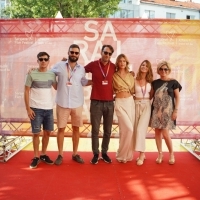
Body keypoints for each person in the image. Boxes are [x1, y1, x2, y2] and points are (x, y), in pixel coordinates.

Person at [52, 44, 89, 165]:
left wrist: (96, 82)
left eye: (76, 53)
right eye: (72, 52)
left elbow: (83, 82)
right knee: (61, 129)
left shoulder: (81, 69)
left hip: (77, 103)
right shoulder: (59, 65)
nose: (74, 54)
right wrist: (55, 85)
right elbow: (49, 74)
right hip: (62, 103)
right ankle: (60, 154)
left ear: (79, 55)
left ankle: (75, 154)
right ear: (68, 52)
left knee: (76, 129)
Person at [24, 52, 57, 169]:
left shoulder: (52, 74)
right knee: (36, 133)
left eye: (45, 59)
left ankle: (43, 154)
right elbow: (26, 91)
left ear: (48, 61)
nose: (43, 61)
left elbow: (57, 87)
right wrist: (28, 109)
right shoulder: (31, 74)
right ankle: (36, 157)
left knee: (48, 132)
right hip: (35, 109)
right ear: (37, 61)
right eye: (41, 59)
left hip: (49, 109)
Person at [84, 45, 115, 164]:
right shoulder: (93, 65)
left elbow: (123, 74)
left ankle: (105, 152)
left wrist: (131, 73)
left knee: (108, 130)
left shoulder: (113, 67)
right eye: (105, 52)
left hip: (109, 103)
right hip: (96, 102)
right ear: (101, 52)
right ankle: (96, 154)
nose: (107, 55)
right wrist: (88, 82)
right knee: (95, 130)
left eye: (109, 53)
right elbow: (78, 70)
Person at [150, 61, 182, 165]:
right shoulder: (154, 83)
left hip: (168, 111)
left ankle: (171, 153)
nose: (163, 71)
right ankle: (160, 154)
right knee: (157, 133)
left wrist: (175, 110)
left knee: (165, 133)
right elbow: (150, 96)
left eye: (165, 69)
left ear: (169, 70)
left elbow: (177, 97)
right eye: (161, 69)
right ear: (158, 70)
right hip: (156, 110)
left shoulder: (174, 82)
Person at [112, 54, 135, 163]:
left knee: (126, 130)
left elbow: (134, 90)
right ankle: (121, 154)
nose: (122, 63)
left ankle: (126, 155)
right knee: (128, 128)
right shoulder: (114, 75)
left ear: (126, 63)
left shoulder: (131, 76)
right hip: (119, 102)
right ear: (117, 62)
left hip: (130, 102)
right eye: (120, 61)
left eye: (124, 61)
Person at [133, 60, 153, 166]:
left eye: (146, 66)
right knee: (136, 130)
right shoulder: (134, 80)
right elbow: (131, 92)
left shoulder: (150, 82)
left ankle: (141, 154)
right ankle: (143, 153)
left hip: (146, 106)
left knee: (141, 130)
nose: (144, 67)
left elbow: (152, 94)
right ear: (140, 66)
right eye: (143, 65)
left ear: (149, 69)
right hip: (136, 105)